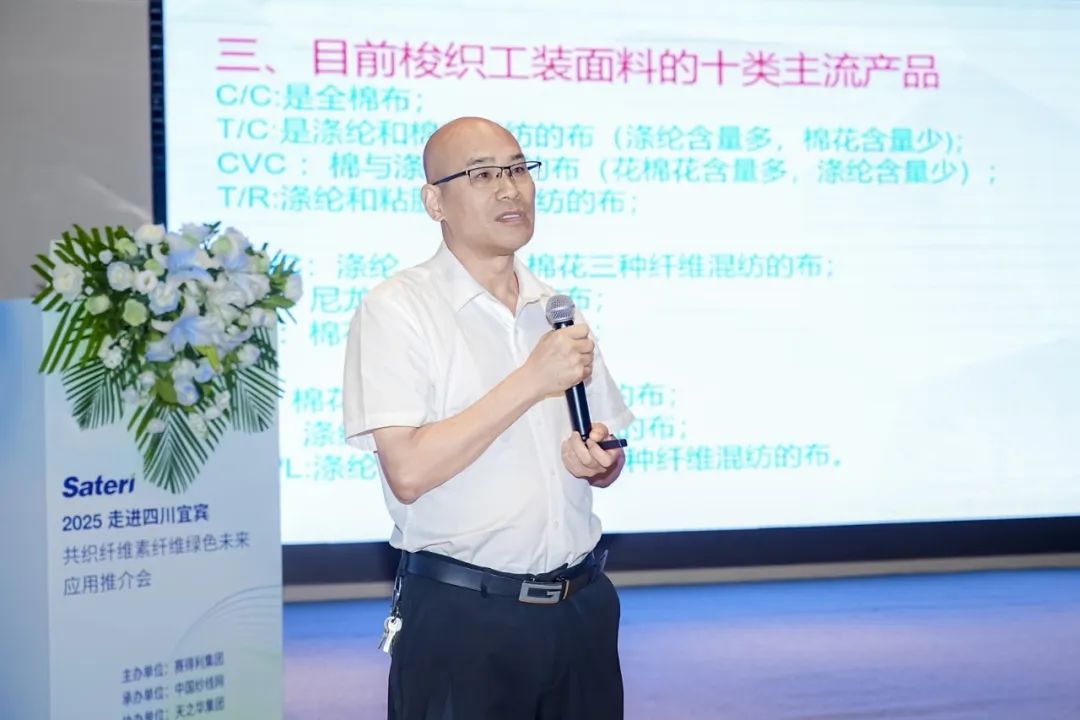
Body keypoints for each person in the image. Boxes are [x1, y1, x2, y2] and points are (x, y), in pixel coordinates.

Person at [343, 116, 634, 720]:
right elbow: (409, 472)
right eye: (482, 175)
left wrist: (599, 459)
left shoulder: (556, 309)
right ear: (435, 202)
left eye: (519, 169)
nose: (509, 188)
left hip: (581, 608)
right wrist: (530, 379)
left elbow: (603, 447)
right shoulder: (398, 308)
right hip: (464, 619)